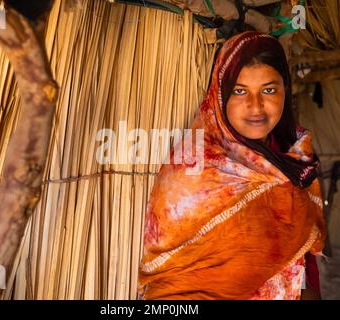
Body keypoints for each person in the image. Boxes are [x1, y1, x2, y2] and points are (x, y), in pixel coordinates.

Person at [138, 31, 326, 300]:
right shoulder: (193, 171)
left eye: (269, 90)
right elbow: (175, 288)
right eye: (239, 91)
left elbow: (304, 259)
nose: (256, 106)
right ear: (221, 95)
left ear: (286, 89)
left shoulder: (296, 156)